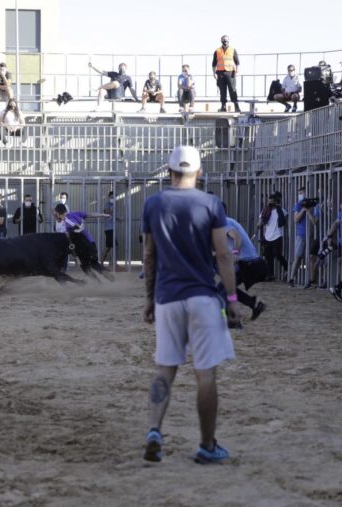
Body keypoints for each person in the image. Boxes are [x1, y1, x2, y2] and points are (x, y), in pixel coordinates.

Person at [141, 145, 244, 464]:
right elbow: (223, 255)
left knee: (164, 369)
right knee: (205, 374)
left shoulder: (153, 204)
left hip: (167, 297)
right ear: (199, 173)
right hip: (202, 296)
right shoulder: (211, 203)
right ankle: (207, 445)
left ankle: (154, 431)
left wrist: (148, 299)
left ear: (169, 172)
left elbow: (148, 255)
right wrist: (232, 299)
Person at [221, 210, 267, 321]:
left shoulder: (224, 222)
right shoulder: (228, 221)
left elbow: (237, 237)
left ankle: (233, 319)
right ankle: (253, 304)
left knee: (223, 290)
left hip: (248, 264)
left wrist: (235, 252)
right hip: (250, 263)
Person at [53, 204, 112, 279]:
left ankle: (97, 282)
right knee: (94, 264)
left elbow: (75, 226)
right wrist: (102, 215)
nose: (55, 215)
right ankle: (104, 273)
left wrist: (77, 228)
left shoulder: (67, 220)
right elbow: (89, 214)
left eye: (55, 213)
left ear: (58, 213)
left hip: (83, 247)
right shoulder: (75, 213)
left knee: (84, 266)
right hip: (91, 243)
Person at [288, 188, 320, 288]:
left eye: (302, 193)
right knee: (298, 257)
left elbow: (315, 222)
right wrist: (303, 209)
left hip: (312, 235)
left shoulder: (315, 206)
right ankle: (292, 278)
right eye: (300, 193)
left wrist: (309, 211)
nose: (300, 195)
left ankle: (313, 281)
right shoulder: (298, 204)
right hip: (301, 234)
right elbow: (296, 219)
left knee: (312, 258)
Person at [258, 192, 288, 281]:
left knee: (277, 254)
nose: (270, 201)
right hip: (267, 236)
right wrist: (260, 223)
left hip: (278, 235)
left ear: (276, 201)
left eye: (272, 199)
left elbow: (284, 221)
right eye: (269, 199)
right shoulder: (265, 210)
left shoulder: (282, 211)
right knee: (268, 256)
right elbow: (260, 222)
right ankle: (270, 275)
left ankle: (286, 269)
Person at [212, 35, 240, 112]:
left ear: (229, 41)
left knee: (232, 89)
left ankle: (236, 106)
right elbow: (214, 63)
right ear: (221, 41)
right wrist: (214, 73)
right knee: (222, 90)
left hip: (230, 72)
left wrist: (237, 71)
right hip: (220, 73)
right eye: (224, 40)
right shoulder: (217, 51)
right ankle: (223, 107)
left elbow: (237, 62)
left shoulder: (232, 49)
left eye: (226, 40)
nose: (225, 42)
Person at [100, 191, 119, 268]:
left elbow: (113, 215)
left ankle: (110, 262)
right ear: (109, 197)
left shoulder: (113, 205)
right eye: (111, 197)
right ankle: (102, 262)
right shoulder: (108, 204)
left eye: (114, 197)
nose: (112, 198)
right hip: (108, 228)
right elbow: (106, 212)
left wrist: (118, 219)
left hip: (111, 228)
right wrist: (112, 208)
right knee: (109, 247)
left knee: (112, 246)